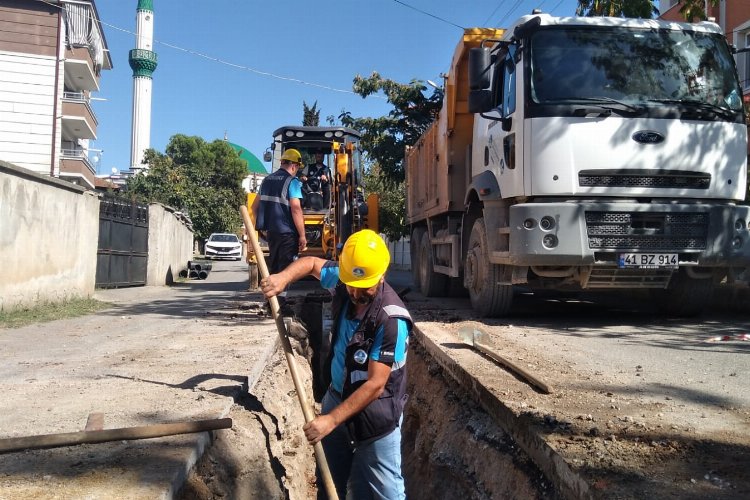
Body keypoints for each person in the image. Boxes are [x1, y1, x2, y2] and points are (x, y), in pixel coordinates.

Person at [260, 229, 412, 500]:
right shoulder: (346, 279)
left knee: (385, 492)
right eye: (350, 283)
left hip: (376, 415)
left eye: (363, 286)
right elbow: (311, 263)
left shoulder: (391, 320)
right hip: (337, 396)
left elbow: (376, 384)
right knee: (330, 482)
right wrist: (283, 278)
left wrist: (330, 420)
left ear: (381, 275)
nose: (354, 292)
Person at [251, 148, 307, 313]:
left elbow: (254, 208)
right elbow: (296, 209)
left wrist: (263, 228)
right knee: (286, 270)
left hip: (272, 233)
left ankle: (270, 303)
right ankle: (281, 305)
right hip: (287, 232)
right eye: (297, 167)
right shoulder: (292, 182)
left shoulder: (266, 180)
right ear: (294, 166)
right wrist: (302, 235)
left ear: (282, 162)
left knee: (274, 267)